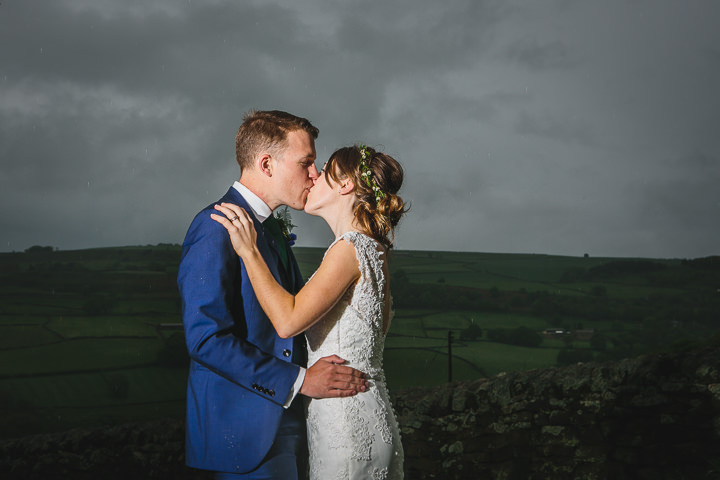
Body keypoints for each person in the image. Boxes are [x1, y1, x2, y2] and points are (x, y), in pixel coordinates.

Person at [177, 110, 369, 479]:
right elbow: (205, 339)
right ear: (266, 164)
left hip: (292, 421)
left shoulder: (270, 229)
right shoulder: (215, 226)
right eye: (306, 163)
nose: (315, 175)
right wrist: (299, 380)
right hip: (245, 431)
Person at [211, 144, 407, 479]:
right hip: (371, 414)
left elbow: (288, 321)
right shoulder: (374, 250)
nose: (312, 176)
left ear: (345, 185)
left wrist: (248, 251)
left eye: (324, 168)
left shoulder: (349, 248)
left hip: (345, 424)